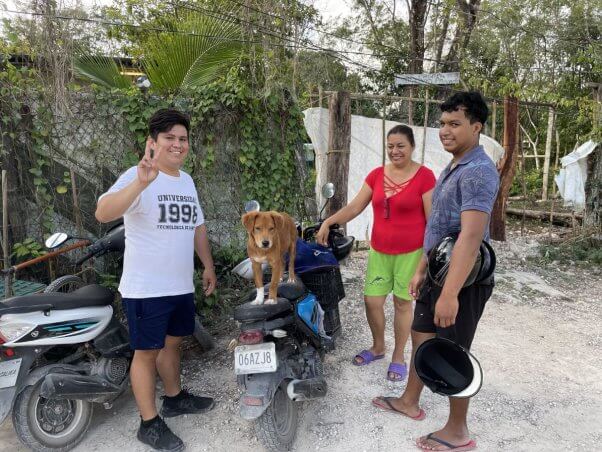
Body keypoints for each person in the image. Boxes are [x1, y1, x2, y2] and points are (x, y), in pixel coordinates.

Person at [372, 91, 500, 452]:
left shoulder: (477, 171)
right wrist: (422, 269)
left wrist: (449, 294)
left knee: (453, 349)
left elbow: (470, 236)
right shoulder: (454, 164)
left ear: (476, 127)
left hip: (463, 279)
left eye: (455, 124)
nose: (445, 130)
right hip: (439, 271)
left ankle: (458, 432)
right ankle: (410, 400)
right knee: (421, 334)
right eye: (443, 123)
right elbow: (440, 229)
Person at [96, 108, 218, 452]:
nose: (178, 145)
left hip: (179, 286)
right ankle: (148, 424)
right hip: (146, 289)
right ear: (153, 142)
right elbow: (103, 212)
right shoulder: (139, 175)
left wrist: (207, 266)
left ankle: (175, 398)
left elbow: (197, 227)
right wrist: (140, 182)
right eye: (170, 138)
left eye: (183, 139)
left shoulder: (187, 181)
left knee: (172, 345)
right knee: (146, 354)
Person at [316, 125, 435, 381]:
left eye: (400, 145)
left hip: (411, 254)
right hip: (380, 252)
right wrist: (329, 221)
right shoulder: (376, 175)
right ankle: (378, 346)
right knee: (372, 301)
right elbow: (355, 207)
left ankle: (399, 355)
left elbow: (432, 220)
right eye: (390, 146)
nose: (395, 151)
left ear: (412, 147)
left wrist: (425, 261)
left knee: (403, 303)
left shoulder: (425, 177)